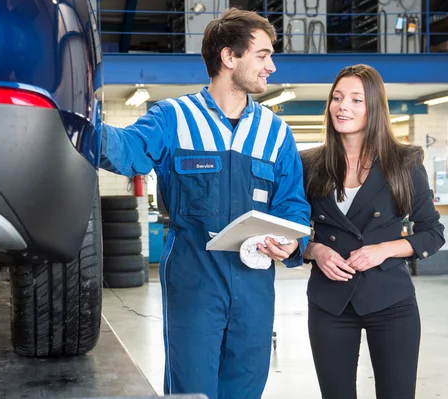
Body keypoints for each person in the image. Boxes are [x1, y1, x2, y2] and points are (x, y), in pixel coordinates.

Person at [100, 8, 310, 399]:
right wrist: (80, 127)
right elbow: (128, 150)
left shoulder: (275, 132)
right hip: (195, 280)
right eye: (263, 55)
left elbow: (293, 204)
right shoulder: (173, 118)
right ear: (229, 57)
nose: (272, 67)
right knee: (192, 388)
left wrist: (293, 240)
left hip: (254, 283)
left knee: (247, 385)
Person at [300, 64, 445, 399]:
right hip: (329, 302)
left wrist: (385, 249)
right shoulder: (309, 164)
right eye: (337, 98)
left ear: (374, 108)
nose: (342, 106)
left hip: (390, 300)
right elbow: (290, 230)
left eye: (355, 100)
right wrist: (315, 250)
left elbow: (432, 232)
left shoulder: (404, 162)